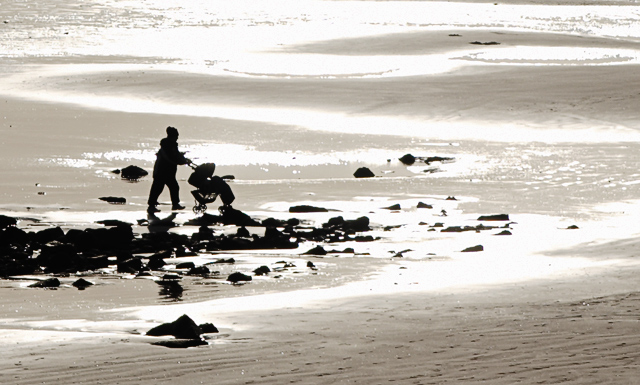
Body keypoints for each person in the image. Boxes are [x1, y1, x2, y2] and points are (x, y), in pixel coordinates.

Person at [147, 126, 191, 213]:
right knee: (160, 188)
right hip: (162, 171)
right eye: (176, 136)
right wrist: (183, 161)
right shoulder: (169, 145)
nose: (177, 138)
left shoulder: (170, 145)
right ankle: (153, 205)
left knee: (168, 187)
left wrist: (183, 158)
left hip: (167, 172)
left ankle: (172, 204)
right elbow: (172, 158)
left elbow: (176, 155)